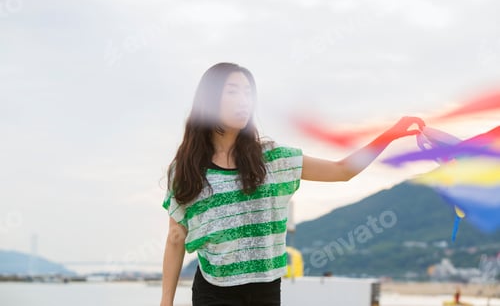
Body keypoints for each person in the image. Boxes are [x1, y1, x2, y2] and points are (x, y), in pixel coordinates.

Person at [160, 62, 425, 306]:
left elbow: (343, 170)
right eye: (233, 92)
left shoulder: (273, 159)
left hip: (265, 291)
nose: (244, 101)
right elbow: (175, 239)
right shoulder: (186, 170)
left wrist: (390, 134)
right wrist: (166, 302)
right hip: (213, 291)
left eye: (248, 93)